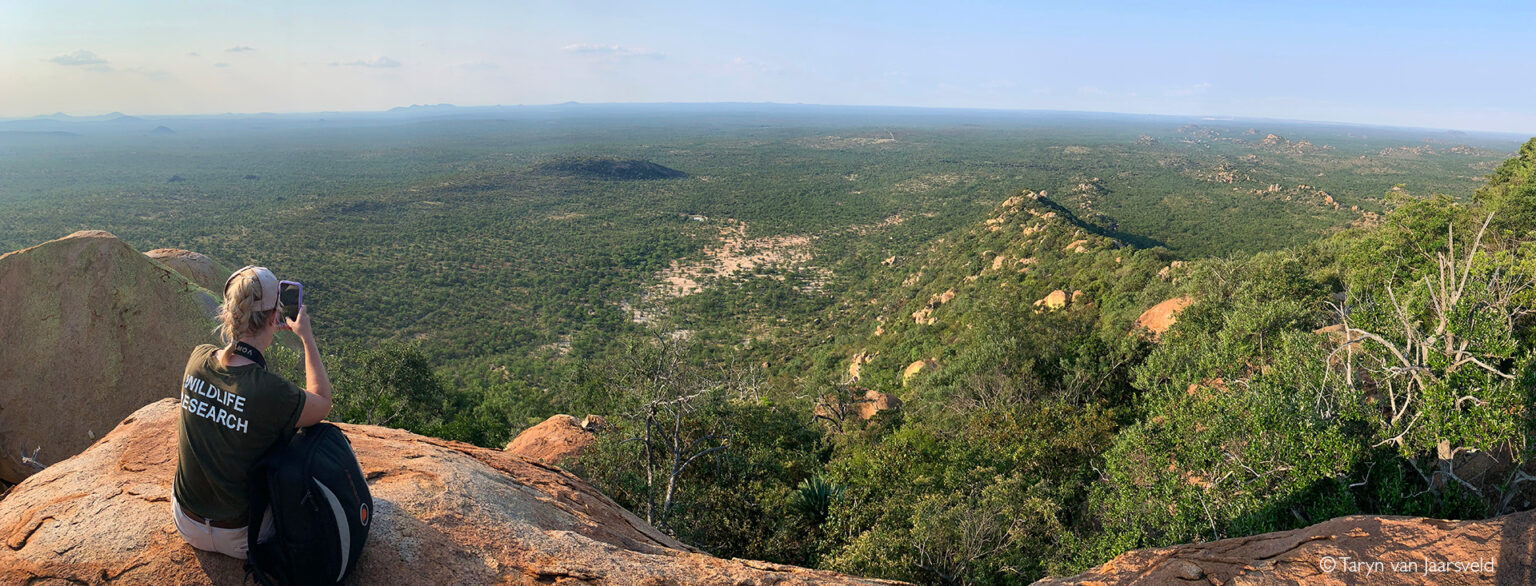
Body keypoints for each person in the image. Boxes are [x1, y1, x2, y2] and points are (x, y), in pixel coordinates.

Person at [172, 265, 333, 559]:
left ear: (229, 312)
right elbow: (322, 402)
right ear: (275, 317)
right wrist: (307, 338)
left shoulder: (197, 359)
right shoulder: (271, 391)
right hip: (244, 536)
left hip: (186, 522)